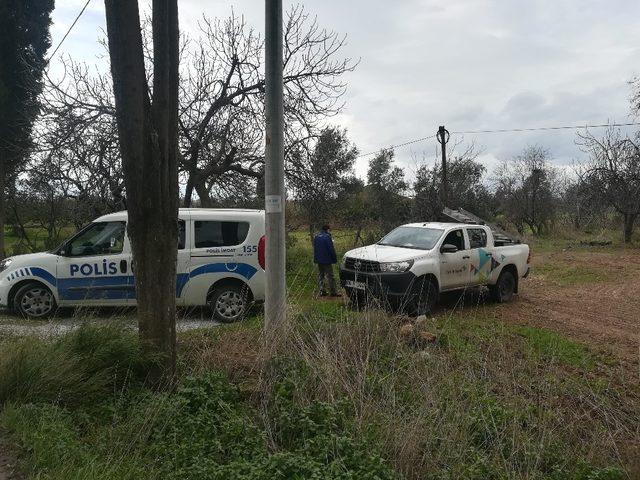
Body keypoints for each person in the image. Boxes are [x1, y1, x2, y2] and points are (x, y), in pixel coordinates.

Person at [313, 224, 339, 297]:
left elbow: (315, 249)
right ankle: (333, 292)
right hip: (327, 260)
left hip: (319, 260)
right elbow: (331, 249)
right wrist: (334, 259)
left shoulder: (316, 236)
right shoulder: (327, 237)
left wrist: (315, 259)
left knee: (321, 275)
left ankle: (322, 291)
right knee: (330, 276)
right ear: (327, 230)